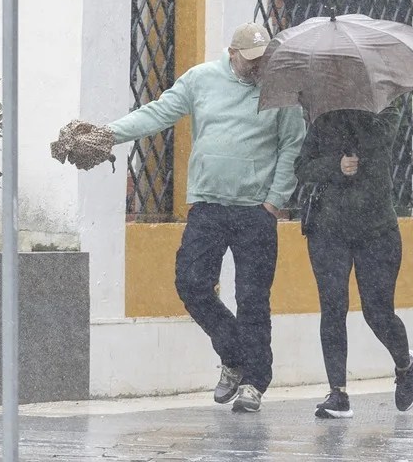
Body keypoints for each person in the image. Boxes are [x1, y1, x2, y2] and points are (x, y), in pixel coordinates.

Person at [79, 23, 305, 412]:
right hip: (208, 204)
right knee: (192, 283)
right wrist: (108, 134)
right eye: (251, 60)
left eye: (262, 59)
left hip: (255, 211)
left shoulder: (280, 90)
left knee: (253, 298)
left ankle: (255, 381)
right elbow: (158, 113)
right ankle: (234, 354)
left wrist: (274, 200)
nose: (257, 66)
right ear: (232, 53)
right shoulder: (202, 79)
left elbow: (292, 144)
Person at [294, 104, 413, 419]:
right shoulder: (324, 117)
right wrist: (335, 166)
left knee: (377, 312)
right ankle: (338, 393)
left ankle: (404, 364)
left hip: (377, 231)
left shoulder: (387, 110)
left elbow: (377, 139)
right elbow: (302, 166)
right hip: (328, 231)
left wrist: (352, 117)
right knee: (333, 309)